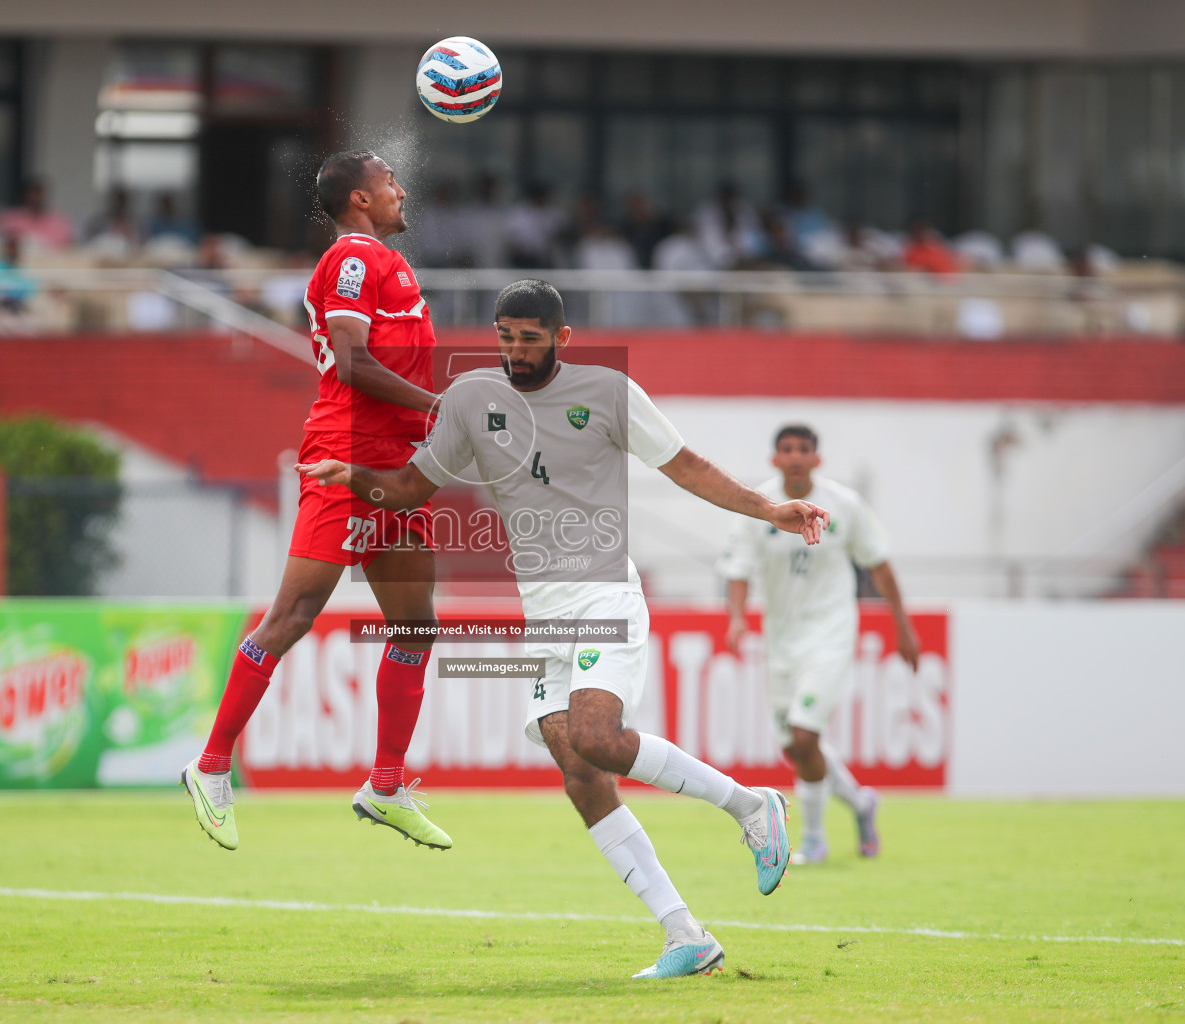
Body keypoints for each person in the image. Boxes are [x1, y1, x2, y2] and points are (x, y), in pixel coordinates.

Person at [299, 280, 829, 979]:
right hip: (542, 613)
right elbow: (406, 490)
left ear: (562, 338)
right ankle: (685, 935)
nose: (515, 350)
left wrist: (768, 510)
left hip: (603, 590)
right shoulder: (472, 403)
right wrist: (354, 477)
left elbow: (687, 467)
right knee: (581, 772)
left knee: (596, 738)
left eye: (529, 336)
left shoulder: (607, 392)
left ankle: (751, 806)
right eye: (504, 335)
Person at [181, 151, 449, 852]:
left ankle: (385, 786)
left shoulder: (386, 262)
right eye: (390, 182)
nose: (400, 191)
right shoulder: (354, 259)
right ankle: (210, 766)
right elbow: (354, 361)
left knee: (416, 627)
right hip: (349, 455)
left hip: (397, 466)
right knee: (294, 613)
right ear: (360, 199)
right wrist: (440, 403)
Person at [718, 424, 920, 865]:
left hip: (830, 633)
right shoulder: (760, 507)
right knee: (794, 745)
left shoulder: (844, 505)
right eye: (786, 449)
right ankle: (861, 802)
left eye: (802, 450)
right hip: (782, 639)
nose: (794, 457)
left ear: (816, 458)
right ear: (774, 459)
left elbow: (880, 566)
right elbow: (738, 568)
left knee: (806, 734)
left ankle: (813, 839)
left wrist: (902, 627)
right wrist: (736, 619)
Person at [0, 177, 74, 252]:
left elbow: (68, 248)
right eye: (31, 195)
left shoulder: (58, 221)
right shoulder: (12, 219)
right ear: (25, 196)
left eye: (38, 194)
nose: (35, 199)